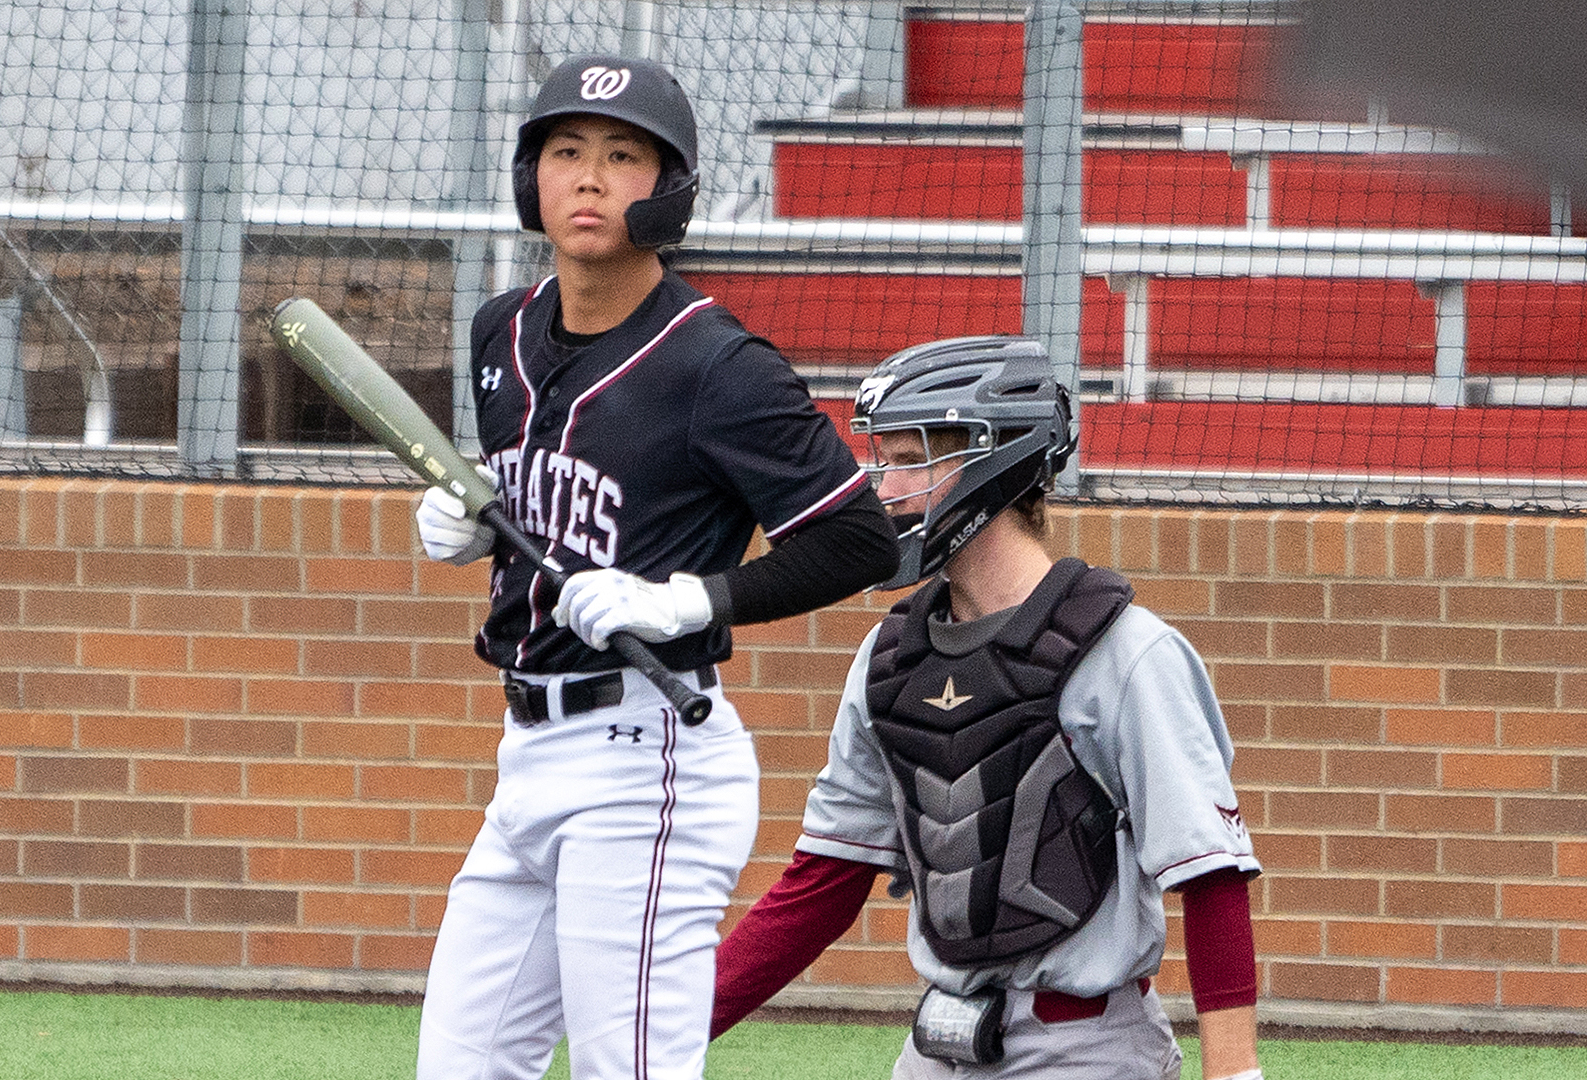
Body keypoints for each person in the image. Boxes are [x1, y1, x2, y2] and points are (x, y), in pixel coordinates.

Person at [410, 54, 900, 1080]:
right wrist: (473, 524)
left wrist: (690, 599)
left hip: (648, 760)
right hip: (528, 756)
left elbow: (860, 538)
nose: (589, 179)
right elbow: (551, 507)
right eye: (566, 152)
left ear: (667, 191)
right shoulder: (499, 329)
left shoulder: (717, 366)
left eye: (623, 156)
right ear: (527, 178)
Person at [710, 335, 1264, 1080]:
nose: (884, 489)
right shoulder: (889, 656)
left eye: (910, 460)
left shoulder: (1128, 652)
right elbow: (822, 883)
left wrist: (1234, 1074)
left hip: (1086, 1049)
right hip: (939, 1044)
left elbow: (1211, 876)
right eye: (884, 459)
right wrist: (671, 1027)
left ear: (994, 459)